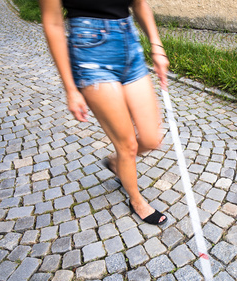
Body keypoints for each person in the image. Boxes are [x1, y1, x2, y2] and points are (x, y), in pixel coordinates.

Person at [40, 0, 169, 224]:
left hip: (129, 43)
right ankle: (136, 200)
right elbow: (52, 22)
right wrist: (71, 89)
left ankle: (117, 163)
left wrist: (156, 46)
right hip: (90, 52)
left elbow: (139, 3)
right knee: (127, 145)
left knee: (151, 138)